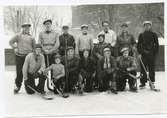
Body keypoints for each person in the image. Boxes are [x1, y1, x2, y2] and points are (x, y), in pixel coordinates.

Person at [9, 23, 35, 94]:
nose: (26, 29)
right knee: (19, 72)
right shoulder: (18, 35)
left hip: (28, 57)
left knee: (29, 72)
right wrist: (15, 47)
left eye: (28, 28)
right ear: (22, 28)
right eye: (25, 27)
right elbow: (10, 42)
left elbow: (34, 48)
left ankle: (29, 87)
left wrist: (34, 55)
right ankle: (17, 87)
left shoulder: (32, 37)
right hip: (19, 56)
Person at [137, 21, 159, 89]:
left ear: (150, 26)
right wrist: (140, 53)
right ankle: (143, 83)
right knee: (143, 69)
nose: (147, 26)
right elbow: (138, 45)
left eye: (148, 25)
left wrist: (155, 53)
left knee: (151, 69)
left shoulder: (154, 34)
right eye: (145, 25)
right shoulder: (141, 35)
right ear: (144, 26)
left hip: (151, 54)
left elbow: (157, 45)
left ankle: (151, 82)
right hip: (143, 54)